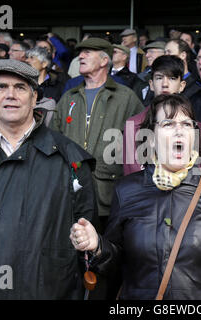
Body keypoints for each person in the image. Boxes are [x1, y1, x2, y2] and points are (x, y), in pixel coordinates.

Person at [70, 94, 201, 300]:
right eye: (168, 124)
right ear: (151, 139)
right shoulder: (127, 190)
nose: (179, 130)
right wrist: (97, 246)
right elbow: (117, 262)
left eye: (187, 124)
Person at [0, 59, 98, 299]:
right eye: (1, 87)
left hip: (44, 288)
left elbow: (85, 226)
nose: (10, 95)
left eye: (20, 88)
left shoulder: (71, 159)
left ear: (34, 98)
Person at [51, 38, 143, 221]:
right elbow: (54, 139)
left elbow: (141, 143)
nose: (81, 56)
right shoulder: (69, 97)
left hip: (109, 194)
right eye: (80, 52)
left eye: (88, 52)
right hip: (71, 192)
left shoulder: (126, 98)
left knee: (104, 247)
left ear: (104, 61)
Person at [123, 55, 187, 176]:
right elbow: (132, 174)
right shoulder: (133, 124)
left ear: (182, 85)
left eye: (172, 78)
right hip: (144, 192)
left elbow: (197, 171)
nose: (165, 84)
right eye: (159, 78)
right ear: (151, 84)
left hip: (184, 193)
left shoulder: (193, 125)